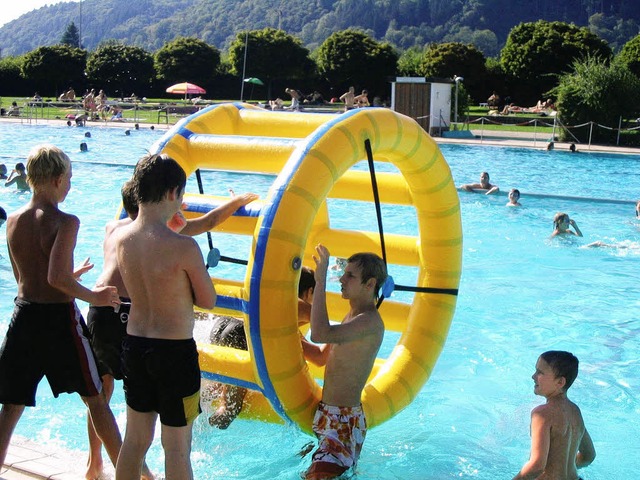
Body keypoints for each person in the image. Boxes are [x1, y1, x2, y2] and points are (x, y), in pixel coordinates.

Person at [87, 179, 257, 477]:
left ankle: (95, 463)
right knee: (172, 438)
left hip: (101, 311)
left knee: (104, 397)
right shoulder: (165, 235)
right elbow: (208, 223)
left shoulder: (115, 229)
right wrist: (235, 202)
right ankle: (142, 472)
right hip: (134, 318)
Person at [0, 144, 124, 474]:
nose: (70, 184)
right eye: (69, 177)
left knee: (11, 405)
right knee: (95, 398)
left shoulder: (12, 221)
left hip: (23, 316)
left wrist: (71, 278)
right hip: (59, 320)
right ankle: (130, 472)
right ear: (57, 179)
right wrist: (93, 295)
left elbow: (24, 278)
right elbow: (56, 278)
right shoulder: (65, 221)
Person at [114, 153, 217, 480]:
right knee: (176, 447)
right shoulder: (183, 247)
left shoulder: (122, 239)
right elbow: (208, 300)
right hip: (174, 354)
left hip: (134, 347)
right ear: (173, 193)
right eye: (182, 196)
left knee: (135, 440)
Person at [304, 245, 386, 480]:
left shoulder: (369, 322)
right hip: (328, 415)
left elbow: (319, 333)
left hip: (343, 422)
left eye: (350, 275)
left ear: (370, 285)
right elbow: (321, 357)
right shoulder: (351, 316)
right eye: (344, 273)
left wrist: (320, 282)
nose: (341, 278)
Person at [208, 266, 321, 429]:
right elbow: (319, 351)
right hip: (241, 334)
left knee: (219, 385)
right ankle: (202, 431)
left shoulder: (273, 298)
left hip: (222, 326)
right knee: (230, 409)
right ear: (310, 292)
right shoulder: (300, 306)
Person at [512, 351, 596, 479]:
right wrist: (564, 468)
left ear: (560, 382)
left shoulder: (542, 414)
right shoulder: (575, 411)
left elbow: (537, 465)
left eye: (540, 372)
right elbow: (589, 455)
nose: (533, 376)